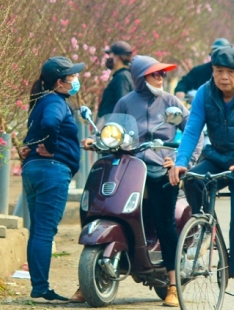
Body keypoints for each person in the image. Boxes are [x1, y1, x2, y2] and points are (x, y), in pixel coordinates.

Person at [73, 55, 189, 306]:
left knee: (164, 222)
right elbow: (112, 128)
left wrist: (180, 159)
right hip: (130, 166)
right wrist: (97, 139)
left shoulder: (172, 102)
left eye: (162, 74)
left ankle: (172, 283)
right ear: (140, 77)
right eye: (155, 74)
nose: (161, 78)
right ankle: (87, 280)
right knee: (105, 206)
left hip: (160, 169)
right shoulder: (126, 102)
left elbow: (193, 132)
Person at [169, 46, 234, 310]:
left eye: (229, 72)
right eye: (218, 71)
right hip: (218, 157)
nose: (223, 77)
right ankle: (204, 230)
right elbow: (193, 131)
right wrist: (180, 164)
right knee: (192, 179)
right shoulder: (205, 92)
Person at [21, 56, 91, 301]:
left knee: (38, 231)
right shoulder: (56, 101)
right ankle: (41, 290)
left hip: (34, 171)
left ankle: (39, 287)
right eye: (72, 76)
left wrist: (30, 147)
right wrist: (52, 147)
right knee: (44, 232)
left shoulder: (42, 100)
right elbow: (51, 124)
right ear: (60, 82)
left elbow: (35, 131)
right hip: (51, 171)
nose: (76, 80)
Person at [97, 41, 134, 118]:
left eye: (110, 54)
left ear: (118, 57)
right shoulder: (123, 75)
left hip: (114, 126)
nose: (108, 58)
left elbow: (122, 106)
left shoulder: (122, 77)